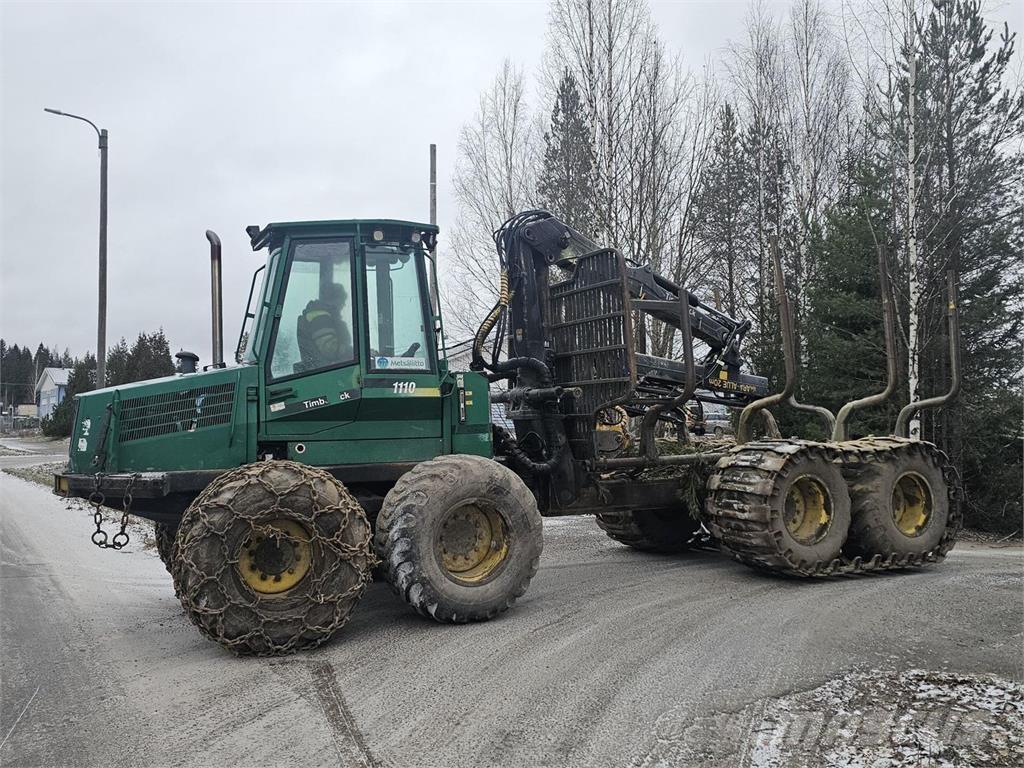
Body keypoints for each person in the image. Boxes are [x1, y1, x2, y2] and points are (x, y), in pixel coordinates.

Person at [296, 282, 352, 370]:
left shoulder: (324, 316)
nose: (344, 305)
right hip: (326, 371)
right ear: (334, 300)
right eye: (342, 301)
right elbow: (330, 349)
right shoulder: (320, 318)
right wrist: (357, 353)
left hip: (327, 369)